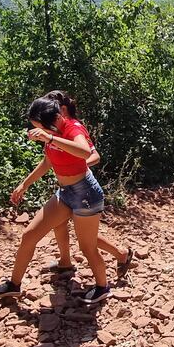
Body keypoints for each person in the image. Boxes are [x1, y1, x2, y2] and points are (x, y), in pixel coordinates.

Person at [0, 97, 111, 303]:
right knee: (29, 235)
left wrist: (50, 138)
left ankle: (102, 287)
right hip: (66, 192)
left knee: (87, 247)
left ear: (53, 119)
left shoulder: (73, 128)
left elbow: (85, 151)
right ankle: (13, 285)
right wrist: (24, 184)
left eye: (39, 126)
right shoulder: (51, 133)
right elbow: (47, 162)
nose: (38, 131)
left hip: (86, 193)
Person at [41, 91, 132, 276]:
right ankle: (65, 262)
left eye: (53, 110)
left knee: (85, 236)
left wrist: (72, 165)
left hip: (81, 187)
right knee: (60, 224)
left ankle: (120, 254)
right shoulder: (56, 130)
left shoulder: (74, 128)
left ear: (63, 109)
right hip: (67, 186)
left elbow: (94, 155)